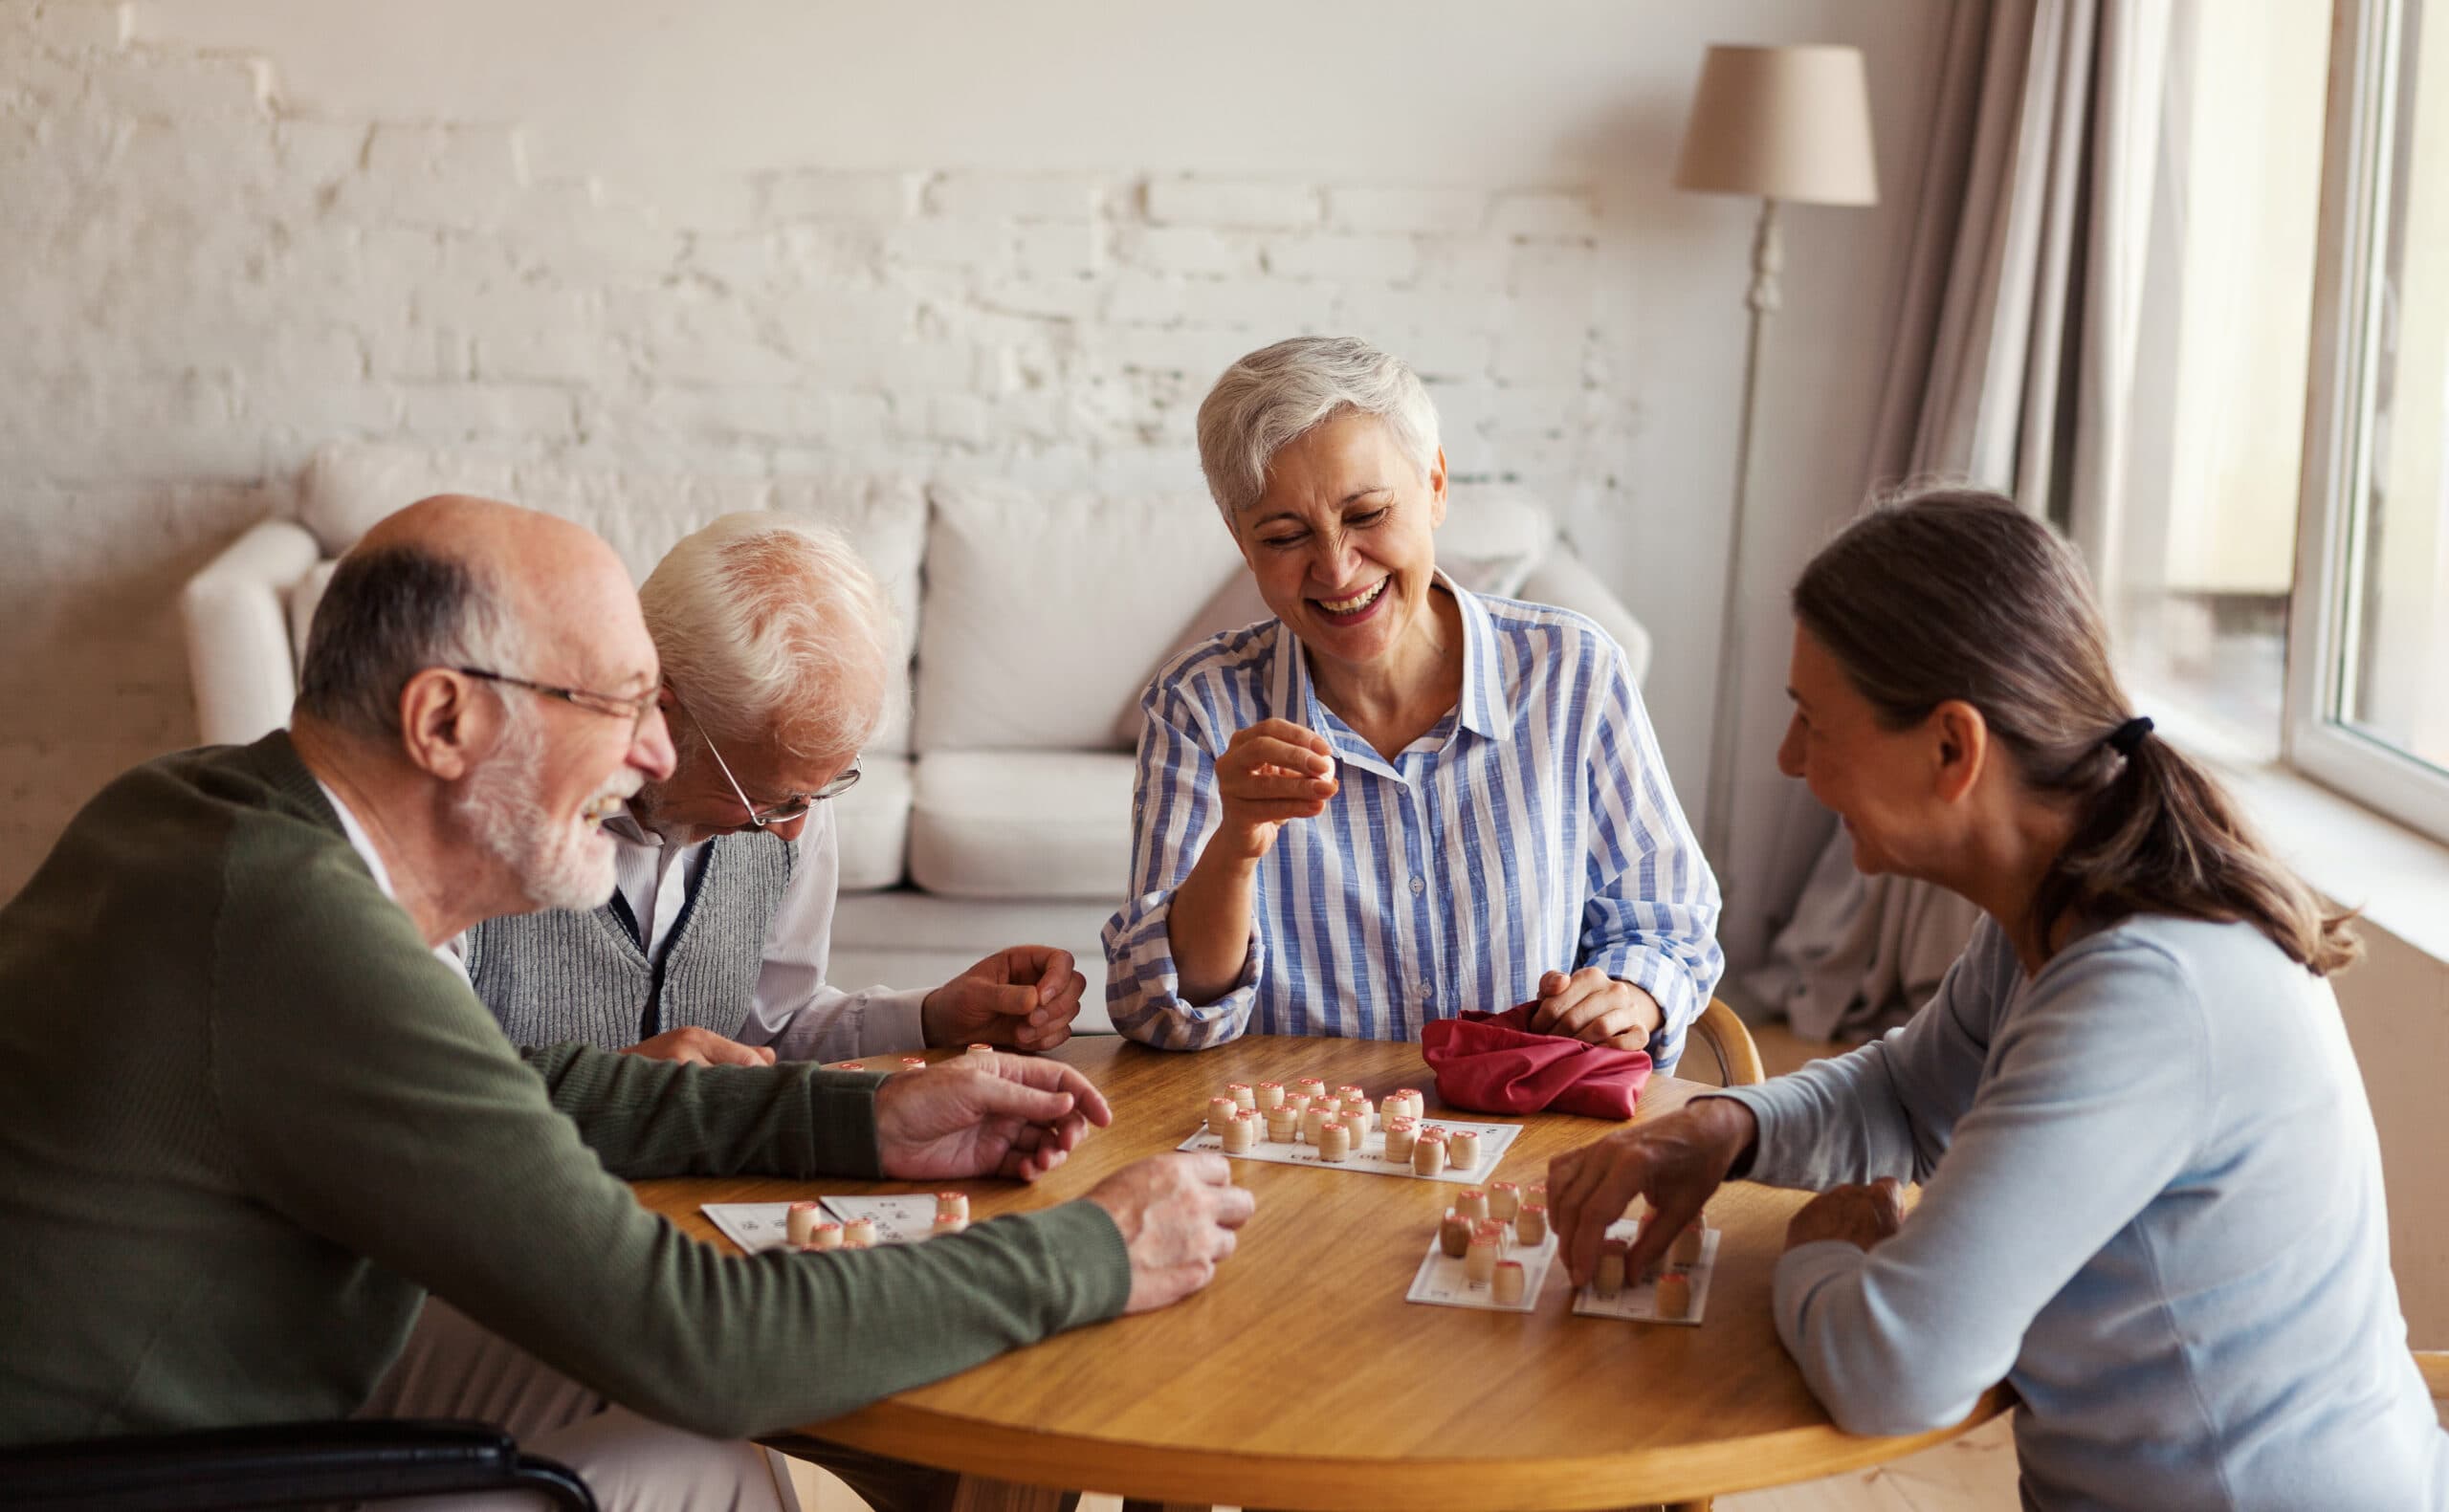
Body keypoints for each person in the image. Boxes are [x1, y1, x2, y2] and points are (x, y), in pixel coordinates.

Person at [0, 494, 1253, 1509]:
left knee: (717, 1434)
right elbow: (696, 1335)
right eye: (613, 704)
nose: (651, 756)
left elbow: (514, 1088)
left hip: (255, 1346)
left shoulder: (206, 809)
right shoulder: (297, 929)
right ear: (444, 719)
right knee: (700, 1456)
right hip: (138, 1467)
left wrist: (854, 1122)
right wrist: (1089, 1249)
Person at [1546, 489, 2447, 1510]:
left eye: (1812, 721)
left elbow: (1898, 1369)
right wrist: (1719, 1128)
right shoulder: (2063, 902)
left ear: (1951, 749)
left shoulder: (2142, 991)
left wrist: (1819, 1250)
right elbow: (1903, 1096)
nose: (1789, 760)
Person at [1104, 335, 1722, 1065]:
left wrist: (1629, 994)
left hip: (1523, 1136)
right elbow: (1159, 1009)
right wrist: (1236, 846)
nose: (1336, 569)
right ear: (1243, 542)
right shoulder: (1199, 705)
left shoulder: (1572, 671)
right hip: (1298, 1154)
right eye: (1285, 534)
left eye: (1365, 514)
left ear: (1435, 485)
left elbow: (1668, 924)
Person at [458, 512, 1083, 1068]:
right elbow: (412, 1087)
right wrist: (625, 1084)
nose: (790, 829)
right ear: (660, 709)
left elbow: (774, 1026)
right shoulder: (475, 812)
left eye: (819, 790)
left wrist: (932, 1018)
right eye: (766, 797)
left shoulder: (796, 793)